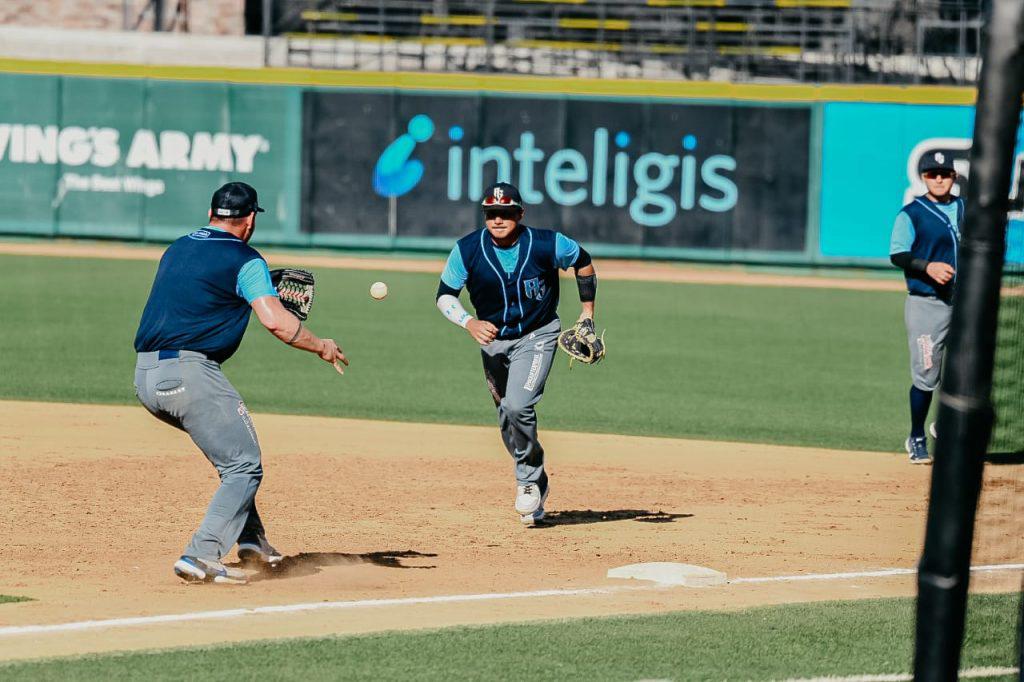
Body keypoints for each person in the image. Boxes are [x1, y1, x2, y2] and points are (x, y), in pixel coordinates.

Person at [133, 182, 348, 584]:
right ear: (249, 220)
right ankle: (200, 555)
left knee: (231, 458)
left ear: (214, 213)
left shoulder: (177, 247)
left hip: (146, 377)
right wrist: (321, 346)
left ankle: (253, 542)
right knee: (244, 466)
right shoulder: (246, 260)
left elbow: (198, 296)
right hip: (190, 375)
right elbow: (276, 322)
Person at [435, 182, 598, 525]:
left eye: (505, 213)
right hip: (492, 342)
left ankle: (526, 480)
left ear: (520, 214)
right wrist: (469, 323)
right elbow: (445, 295)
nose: (497, 219)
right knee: (507, 419)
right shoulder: (467, 249)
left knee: (518, 404)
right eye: (491, 213)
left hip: (537, 335)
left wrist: (587, 313)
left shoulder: (546, 243)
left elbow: (583, 262)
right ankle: (537, 481)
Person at [890, 151, 964, 464]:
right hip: (926, 304)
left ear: (953, 177)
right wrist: (927, 266)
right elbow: (898, 254)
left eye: (944, 174)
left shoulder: (964, 208)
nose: (938, 179)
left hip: (963, 302)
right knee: (927, 374)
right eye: (932, 174)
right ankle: (917, 435)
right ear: (923, 177)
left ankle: (944, 425)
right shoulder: (912, 213)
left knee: (972, 368)